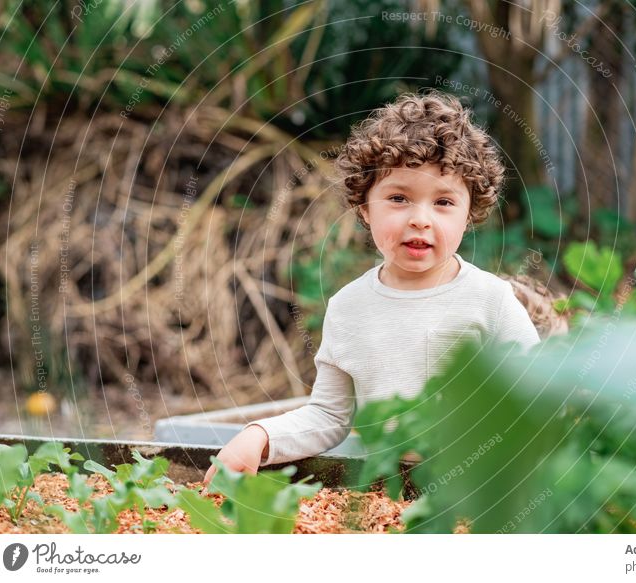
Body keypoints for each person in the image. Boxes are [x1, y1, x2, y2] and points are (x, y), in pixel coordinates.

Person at [203, 89, 540, 485]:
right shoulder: (349, 307)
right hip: (385, 490)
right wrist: (259, 436)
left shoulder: (490, 300)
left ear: (469, 215)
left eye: (444, 202)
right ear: (365, 208)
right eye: (399, 198)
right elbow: (329, 416)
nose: (420, 219)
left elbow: (537, 395)